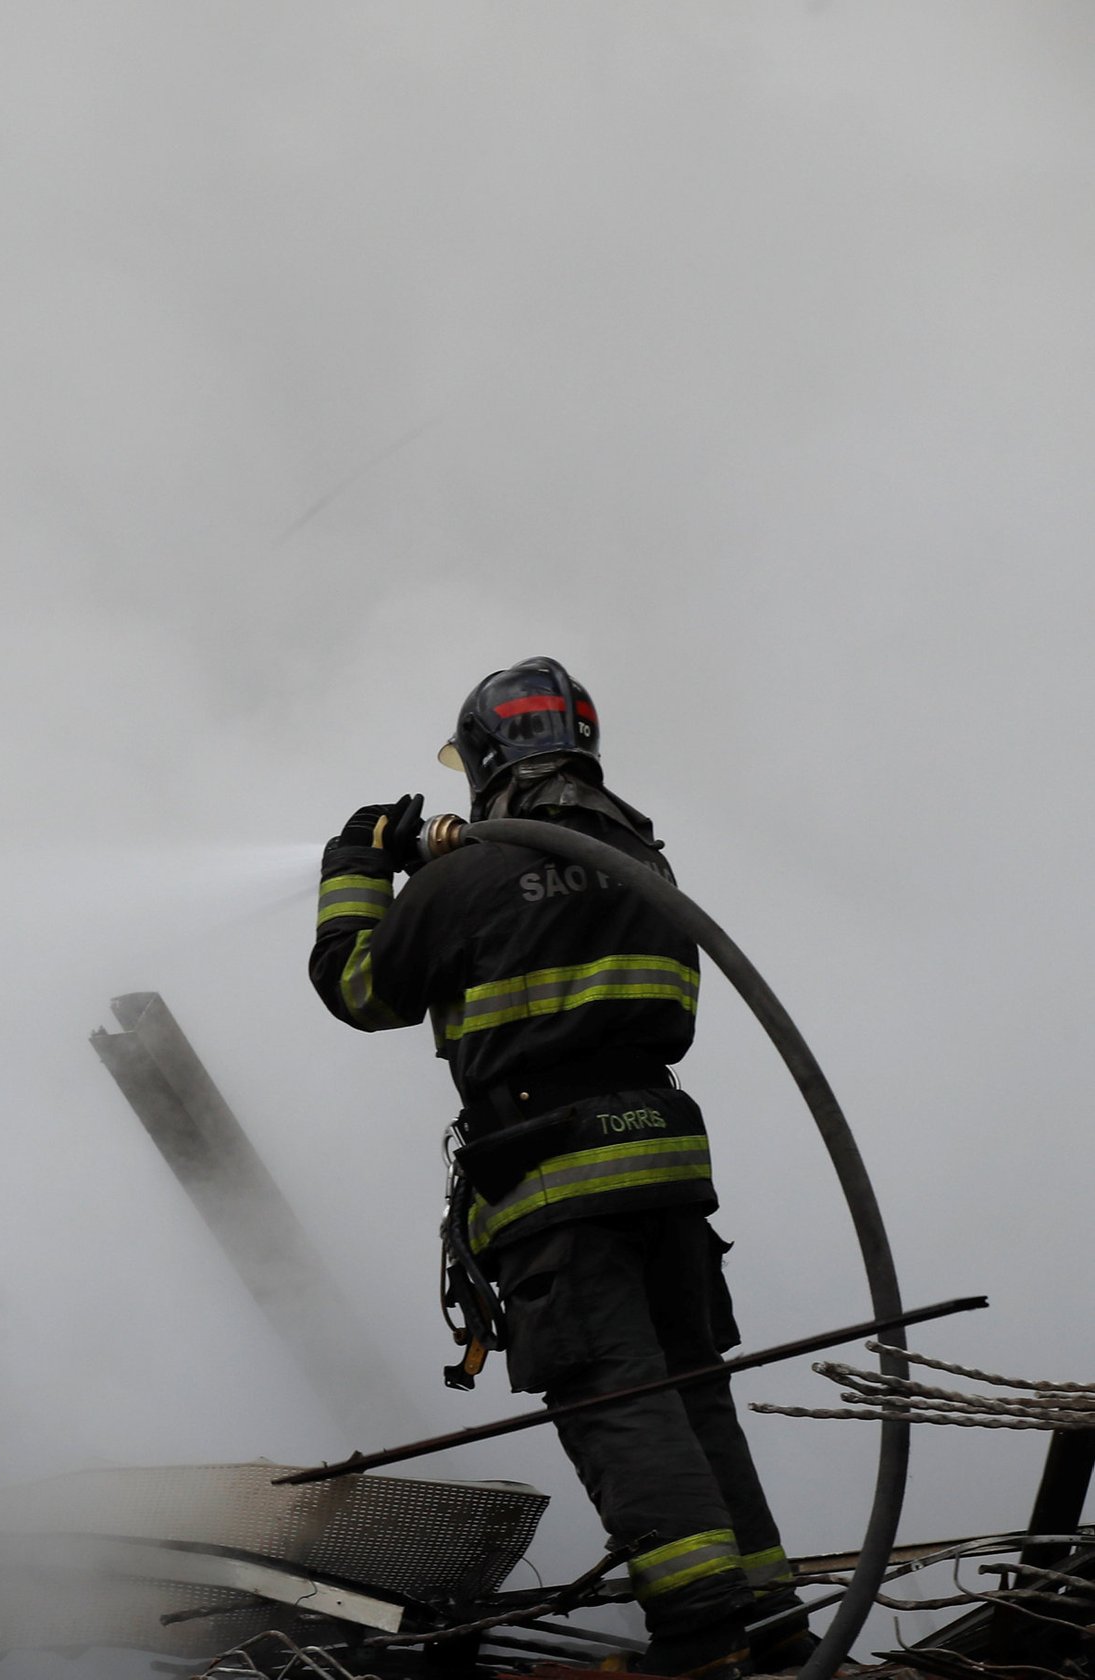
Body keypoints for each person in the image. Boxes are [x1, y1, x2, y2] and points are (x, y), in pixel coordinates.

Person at [308, 660, 808, 1677]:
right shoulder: (639, 859)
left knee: (611, 1394)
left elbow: (357, 988)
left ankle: (699, 1630)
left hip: (550, 1171)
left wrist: (354, 865)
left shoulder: (467, 874)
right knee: (689, 1389)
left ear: (487, 756)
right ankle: (768, 1622)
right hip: (662, 1158)